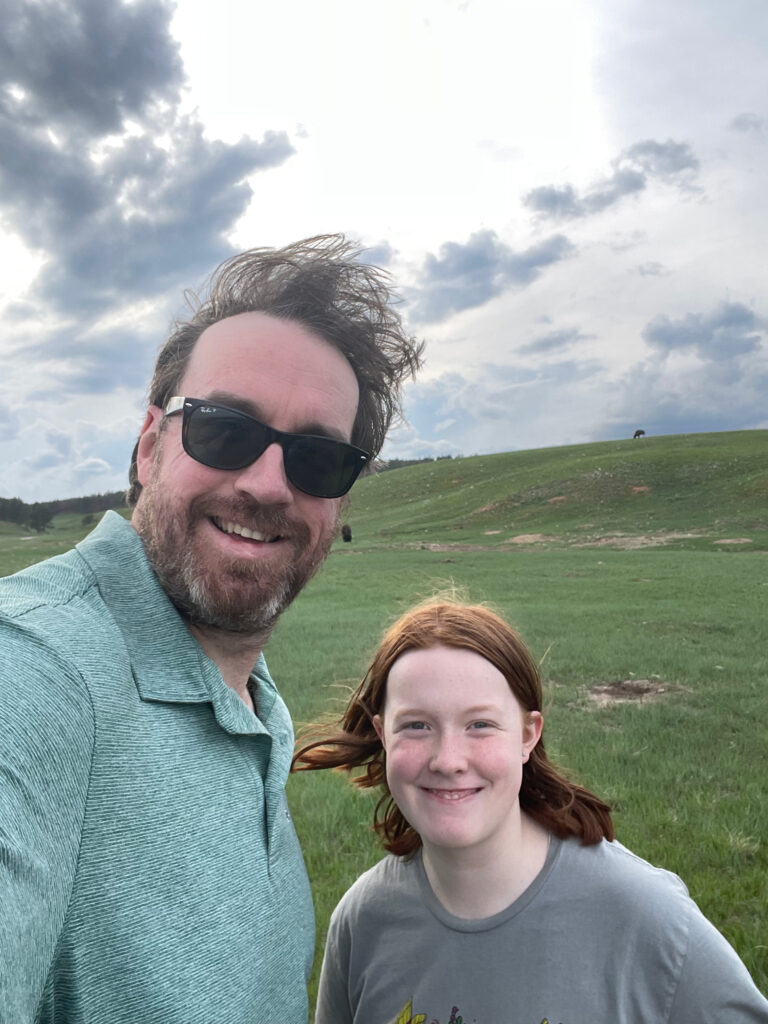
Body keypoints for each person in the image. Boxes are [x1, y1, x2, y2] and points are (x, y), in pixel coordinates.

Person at [0, 235, 422, 1024]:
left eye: (318, 458)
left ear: (341, 501)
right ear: (150, 446)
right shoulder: (34, 669)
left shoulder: (258, 706)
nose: (267, 484)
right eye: (226, 431)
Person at [294, 599, 768, 1024]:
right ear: (382, 735)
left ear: (527, 735)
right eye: (416, 725)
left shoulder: (647, 918)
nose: (448, 759)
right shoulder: (364, 920)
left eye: (480, 724)